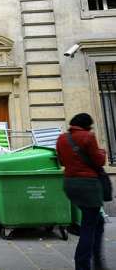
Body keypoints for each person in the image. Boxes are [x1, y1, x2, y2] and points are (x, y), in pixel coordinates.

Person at [56, 113, 108, 270]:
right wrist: (103, 152)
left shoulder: (62, 138)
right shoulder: (88, 137)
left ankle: (97, 261)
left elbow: (61, 161)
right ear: (87, 124)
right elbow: (99, 161)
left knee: (97, 221)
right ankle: (83, 264)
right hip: (88, 185)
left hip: (70, 184)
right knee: (89, 225)